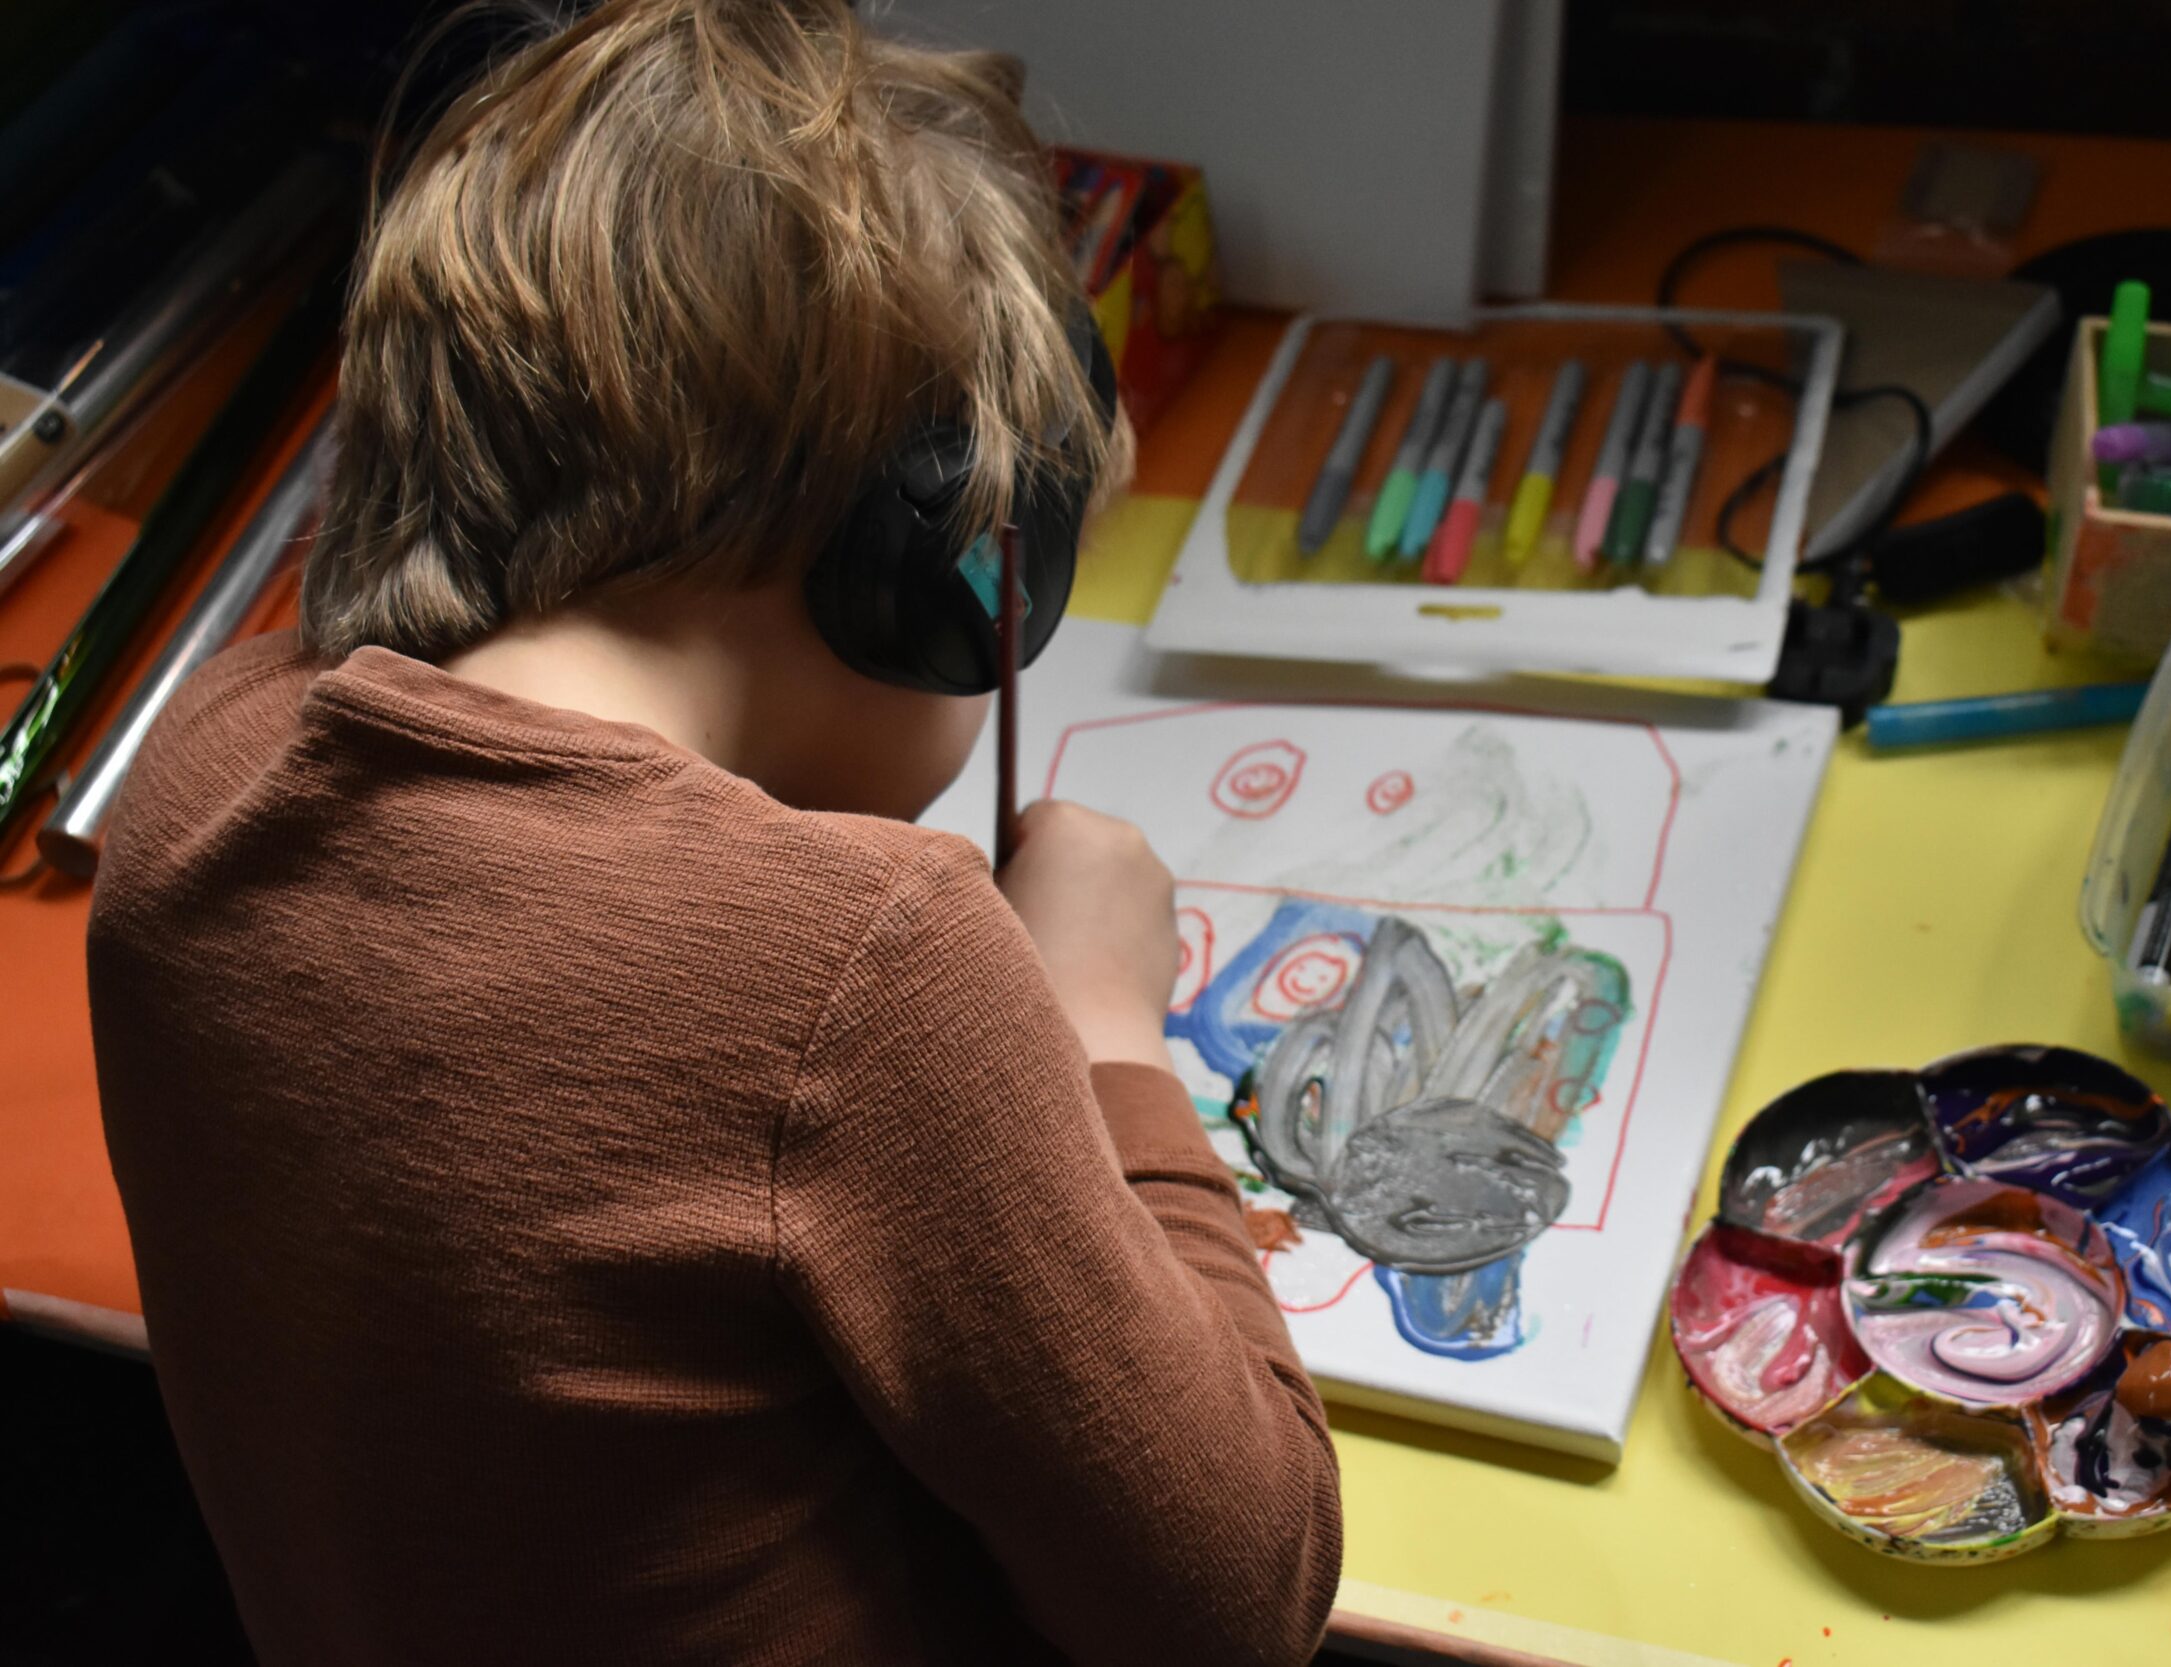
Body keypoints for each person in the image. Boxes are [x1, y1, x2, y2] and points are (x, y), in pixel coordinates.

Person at [84, 3, 1341, 1663]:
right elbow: (1240, 1599)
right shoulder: (859, 970)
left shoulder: (192, 770)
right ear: (914, 557)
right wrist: (1110, 1032)